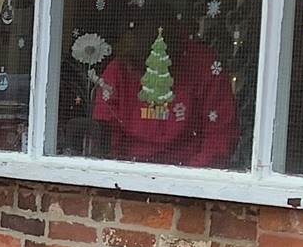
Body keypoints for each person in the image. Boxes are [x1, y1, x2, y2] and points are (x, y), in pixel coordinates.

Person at [91, 14, 237, 167]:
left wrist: (186, 176)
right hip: (128, 173)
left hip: (188, 173)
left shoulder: (204, 67)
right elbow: (104, 138)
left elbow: (220, 137)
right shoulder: (118, 70)